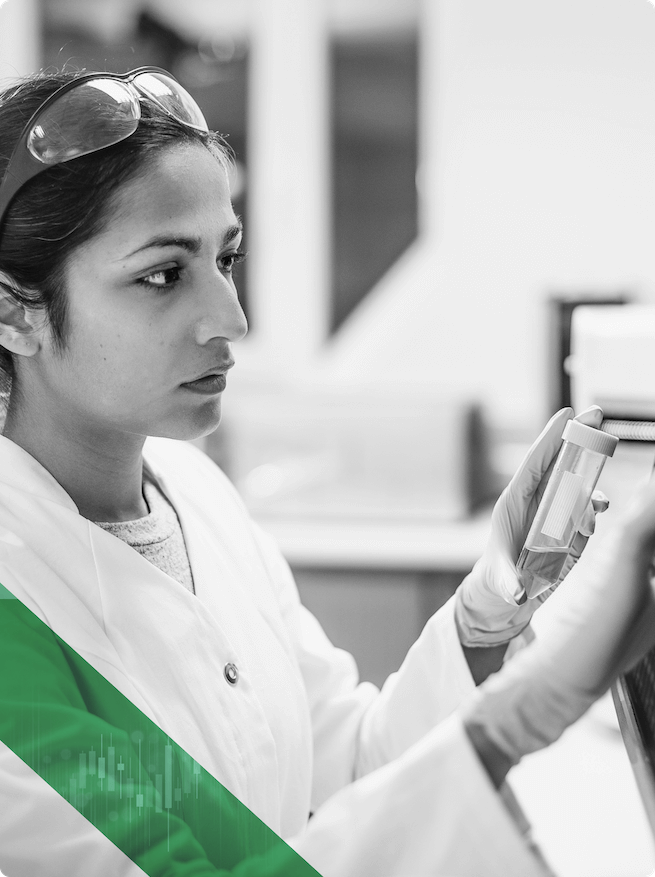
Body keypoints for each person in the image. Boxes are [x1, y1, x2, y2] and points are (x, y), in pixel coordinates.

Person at [0, 66, 653, 877]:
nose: (230, 319)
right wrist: (517, 717)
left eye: (226, 259)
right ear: (13, 310)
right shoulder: (9, 614)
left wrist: (485, 613)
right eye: (163, 274)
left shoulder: (199, 496)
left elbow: (341, 775)